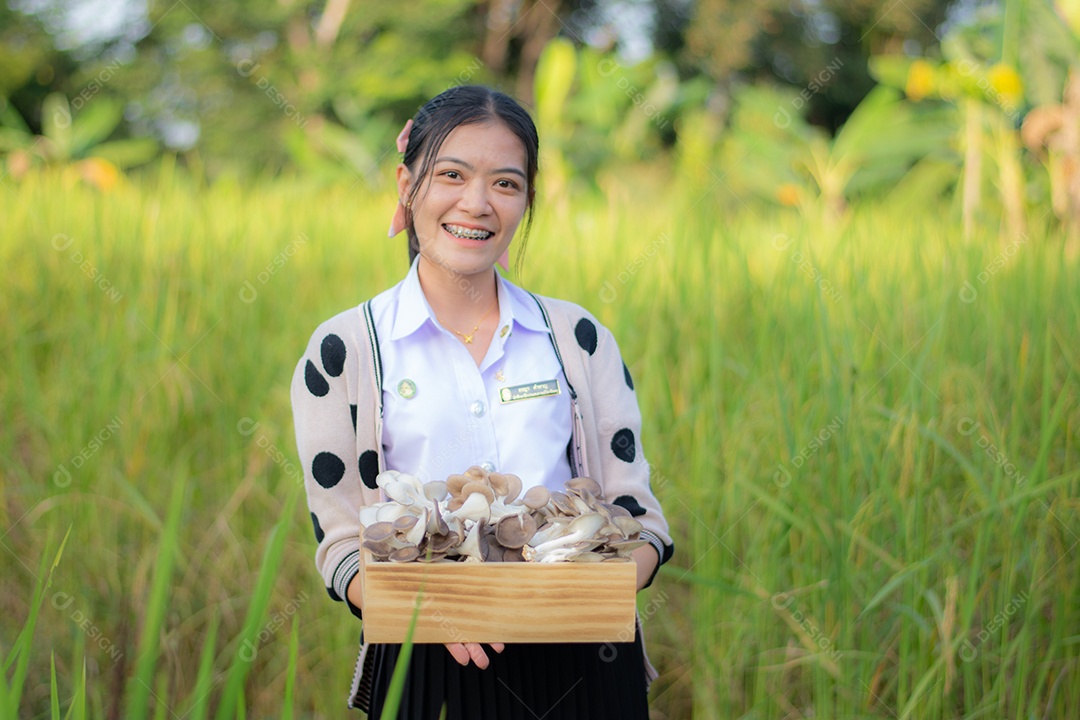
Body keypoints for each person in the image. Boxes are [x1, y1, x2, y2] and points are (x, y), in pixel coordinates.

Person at [291, 84, 675, 719]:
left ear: (526, 200)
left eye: (506, 183)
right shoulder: (344, 350)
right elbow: (339, 544)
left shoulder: (578, 339)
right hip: (424, 666)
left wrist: (567, 599)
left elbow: (642, 519)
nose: (477, 202)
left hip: (583, 667)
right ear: (406, 185)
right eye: (451, 174)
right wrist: (436, 609)